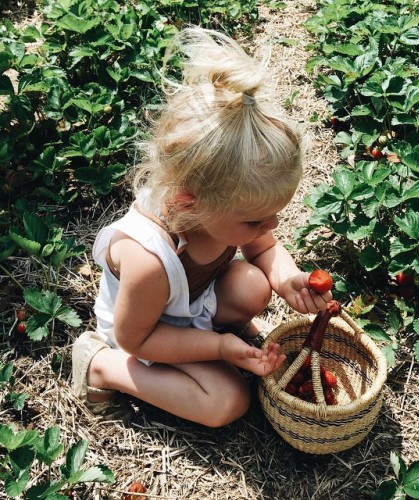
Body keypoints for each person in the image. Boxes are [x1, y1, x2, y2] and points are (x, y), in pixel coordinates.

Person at [72, 27, 333, 428]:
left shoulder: (225, 206)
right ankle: (102, 368)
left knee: (255, 285)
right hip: (147, 331)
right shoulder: (148, 261)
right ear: (188, 203)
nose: (271, 225)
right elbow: (137, 339)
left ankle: (212, 328)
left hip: (192, 303)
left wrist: (287, 280)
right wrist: (219, 347)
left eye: (275, 214)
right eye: (256, 221)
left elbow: (263, 249)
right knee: (225, 401)